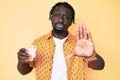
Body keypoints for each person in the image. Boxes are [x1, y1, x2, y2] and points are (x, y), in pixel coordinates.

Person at [17, 2, 105, 80]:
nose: (60, 20)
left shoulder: (79, 43)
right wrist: (22, 61)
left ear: (71, 21)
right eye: (57, 15)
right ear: (51, 17)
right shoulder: (38, 43)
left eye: (66, 17)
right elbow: (24, 72)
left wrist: (90, 56)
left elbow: (100, 66)